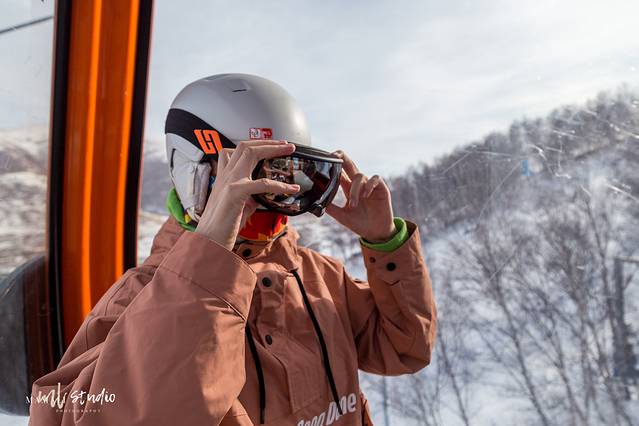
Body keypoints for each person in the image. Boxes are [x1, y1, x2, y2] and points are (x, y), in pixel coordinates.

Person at [29, 74, 437, 426]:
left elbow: (406, 348)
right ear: (194, 178)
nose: (274, 200)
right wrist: (206, 265)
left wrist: (384, 241)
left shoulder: (319, 276)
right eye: (250, 176)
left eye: (290, 178)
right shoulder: (136, 300)